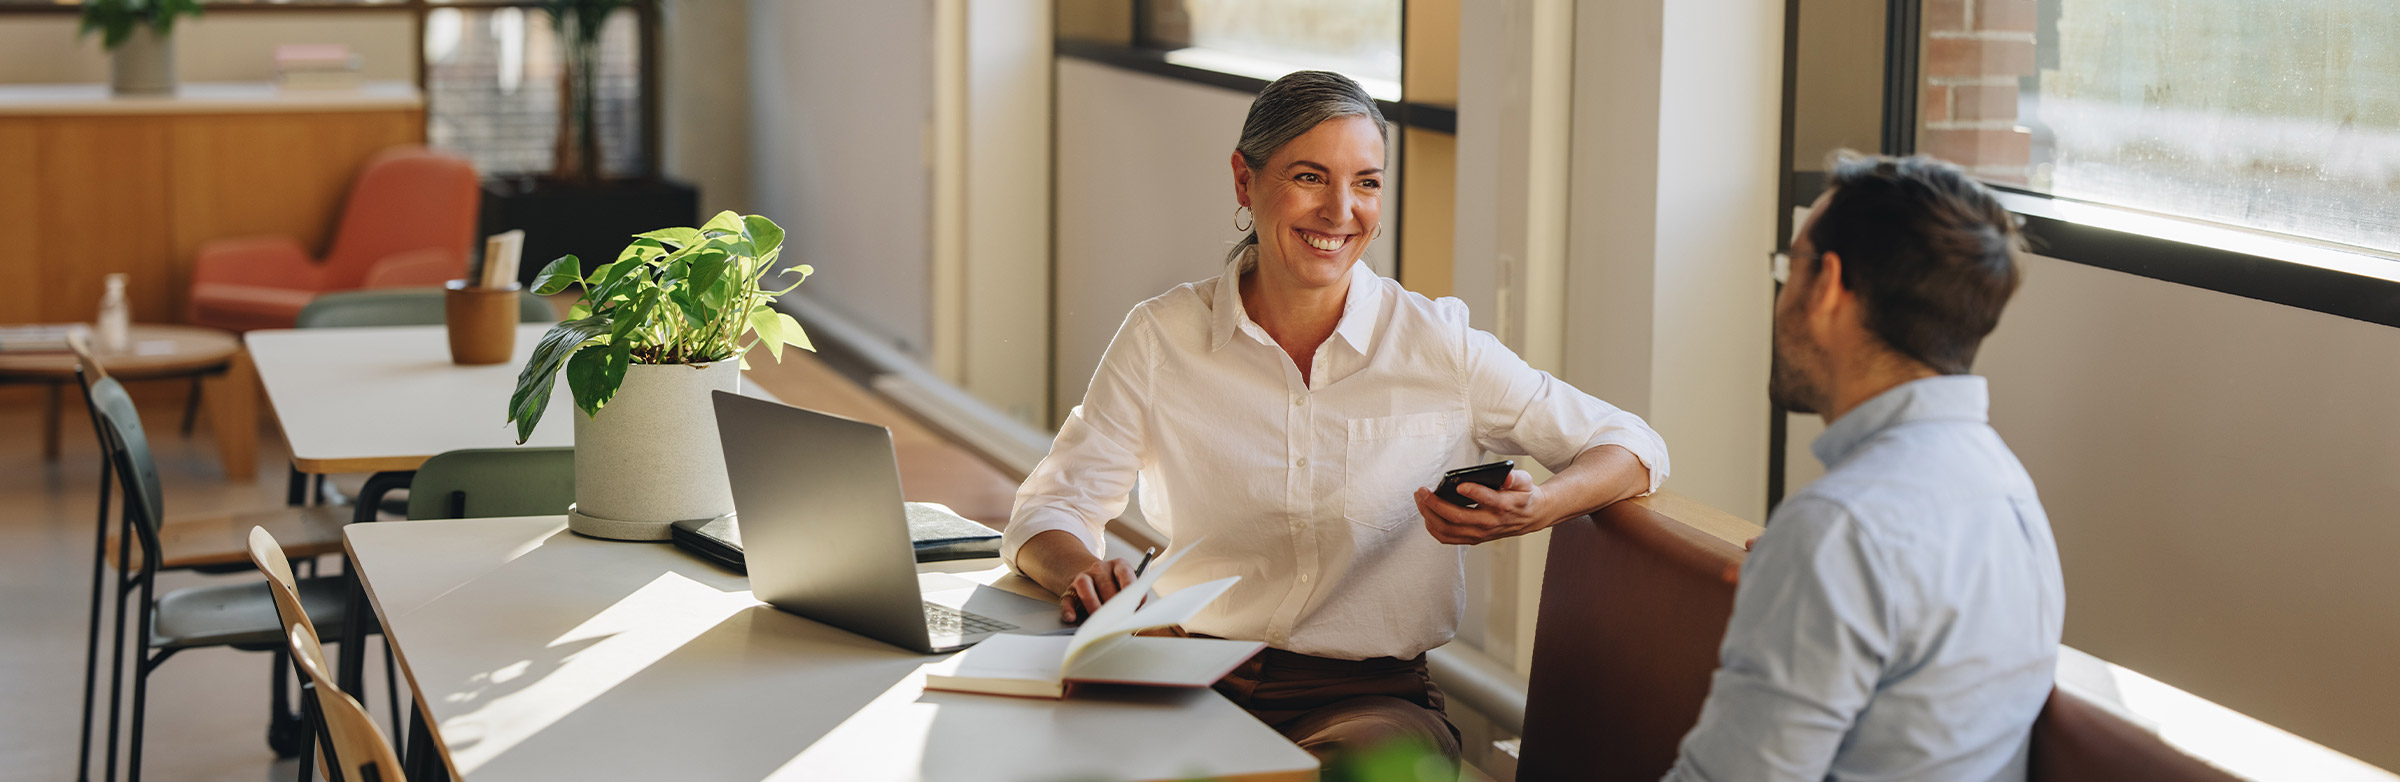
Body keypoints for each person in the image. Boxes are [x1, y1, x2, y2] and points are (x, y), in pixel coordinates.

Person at [1001, 71, 1669, 765]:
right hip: (1182, 675)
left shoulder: (1437, 345)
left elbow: (1631, 444)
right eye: (1311, 177)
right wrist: (1084, 572)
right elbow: (1050, 505)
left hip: (1366, 701)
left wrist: (1542, 506)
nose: (1341, 210)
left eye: (1368, 183)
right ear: (1243, 180)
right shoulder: (1161, 337)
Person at [1663, 153, 2064, 781]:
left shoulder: (1839, 530)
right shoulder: (2011, 494)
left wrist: (1809, 562)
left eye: (1789, 267)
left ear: (1826, 287)